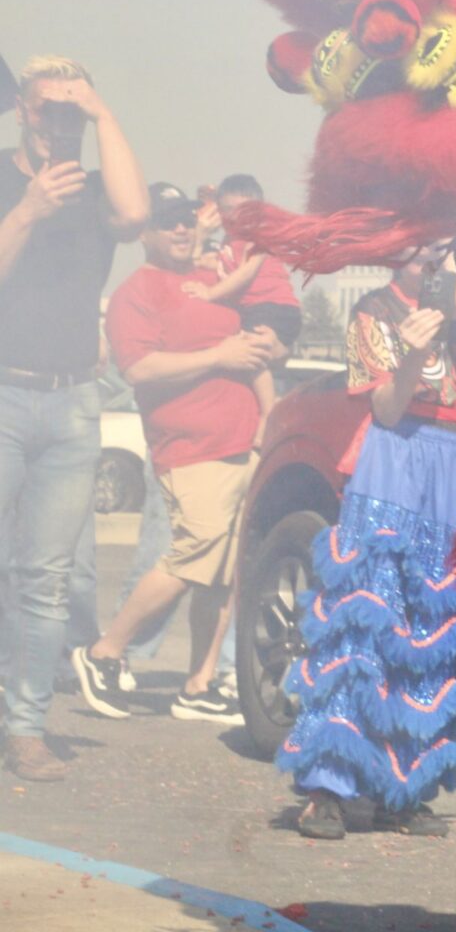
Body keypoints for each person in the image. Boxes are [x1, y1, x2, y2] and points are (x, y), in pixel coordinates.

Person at [277, 238, 456, 840]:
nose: (433, 256)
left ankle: (406, 788)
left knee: (434, 623)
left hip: (455, 462)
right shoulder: (374, 309)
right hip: (395, 455)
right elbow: (388, 410)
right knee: (368, 616)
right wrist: (413, 354)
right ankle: (328, 787)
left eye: (445, 245)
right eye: (424, 246)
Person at [71, 183, 275, 725]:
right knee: (191, 556)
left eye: (186, 219)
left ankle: (199, 685)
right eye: (167, 221)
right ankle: (104, 652)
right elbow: (139, 368)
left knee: (224, 574)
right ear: (144, 232)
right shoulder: (136, 293)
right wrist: (218, 356)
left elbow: (253, 346)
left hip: (245, 442)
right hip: (191, 448)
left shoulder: (213, 281)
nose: (181, 229)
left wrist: (268, 404)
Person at [0, 55, 148, 781]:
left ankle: (26, 728)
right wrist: (28, 210)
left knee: (46, 578)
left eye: (71, 111)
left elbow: (137, 217)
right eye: (47, 108)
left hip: (72, 403)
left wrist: (103, 111)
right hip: (3, 392)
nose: (57, 122)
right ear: (24, 112)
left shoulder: (96, 192)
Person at [187, 174, 302, 357]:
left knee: (248, 354)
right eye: (228, 209)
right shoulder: (231, 240)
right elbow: (227, 265)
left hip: (273, 308)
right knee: (249, 354)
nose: (235, 216)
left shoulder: (258, 236)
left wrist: (210, 293)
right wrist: (201, 258)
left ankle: (265, 378)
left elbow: (245, 273)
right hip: (257, 309)